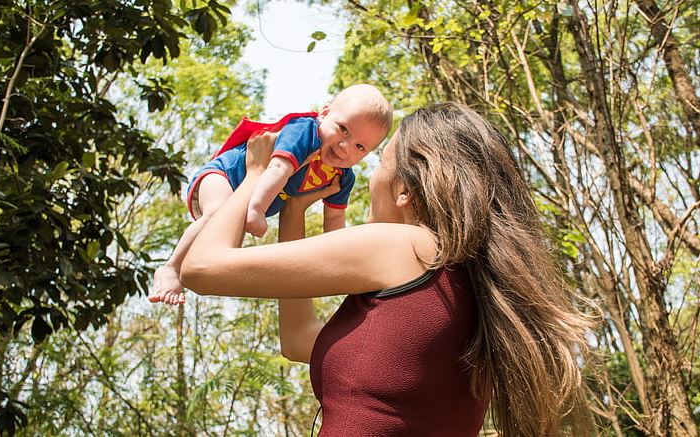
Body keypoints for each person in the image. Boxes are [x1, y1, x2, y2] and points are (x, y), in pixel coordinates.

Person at [167, 102, 595, 436]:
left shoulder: (408, 246)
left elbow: (203, 267)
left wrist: (256, 173)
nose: (366, 177)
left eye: (379, 164)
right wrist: (294, 207)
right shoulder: (465, 284)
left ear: (406, 189)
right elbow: (298, 340)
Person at [148, 84, 393, 305]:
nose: (345, 147)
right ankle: (171, 267)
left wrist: (343, 262)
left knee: (225, 248)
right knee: (216, 214)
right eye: (343, 130)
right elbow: (278, 169)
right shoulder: (305, 132)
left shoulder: (342, 177)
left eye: (360, 146)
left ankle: (191, 272)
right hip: (225, 175)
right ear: (325, 113)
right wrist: (256, 209)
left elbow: (334, 222)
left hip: (247, 198)